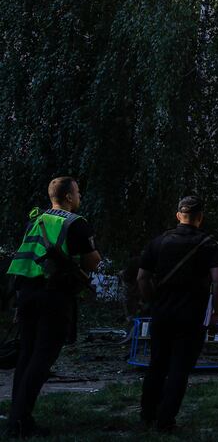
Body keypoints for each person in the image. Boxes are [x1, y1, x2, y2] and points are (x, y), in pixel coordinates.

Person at [6, 176, 101, 439]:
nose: (80, 196)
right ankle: (20, 420)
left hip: (27, 294)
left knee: (26, 356)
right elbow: (92, 262)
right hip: (54, 296)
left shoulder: (35, 220)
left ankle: (17, 416)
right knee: (42, 358)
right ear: (68, 197)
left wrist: (17, 299)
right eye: (78, 192)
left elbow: (25, 257)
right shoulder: (75, 223)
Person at [137, 196, 218, 431]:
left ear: (178, 216)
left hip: (162, 314)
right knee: (179, 369)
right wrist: (216, 311)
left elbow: (142, 277)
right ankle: (166, 421)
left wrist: (152, 302)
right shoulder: (209, 244)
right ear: (200, 218)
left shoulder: (158, 242)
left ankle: (147, 415)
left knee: (157, 365)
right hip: (192, 316)